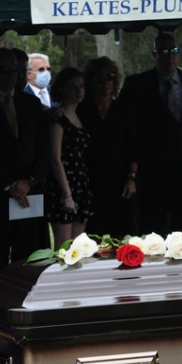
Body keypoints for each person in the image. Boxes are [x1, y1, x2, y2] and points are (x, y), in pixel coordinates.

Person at [118, 33, 182, 236]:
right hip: (152, 172)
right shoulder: (137, 84)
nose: (170, 56)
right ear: (154, 54)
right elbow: (124, 124)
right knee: (151, 231)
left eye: (174, 51)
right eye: (164, 52)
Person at [0, 48, 48, 273]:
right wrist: (9, 185)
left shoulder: (31, 104)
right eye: (3, 70)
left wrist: (29, 180)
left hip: (29, 196)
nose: (9, 76)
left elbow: (44, 149)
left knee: (28, 259)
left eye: (14, 70)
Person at [78, 57, 138, 238]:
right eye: (99, 79)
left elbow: (133, 147)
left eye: (109, 78)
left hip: (121, 181)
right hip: (90, 182)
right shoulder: (82, 110)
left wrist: (131, 178)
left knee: (124, 235)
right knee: (92, 236)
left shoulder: (123, 110)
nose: (105, 84)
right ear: (90, 82)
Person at [44, 68, 92, 249]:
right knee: (63, 248)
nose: (79, 91)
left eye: (81, 86)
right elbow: (55, 158)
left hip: (81, 183)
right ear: (62, 89)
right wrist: (67, 194)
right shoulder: (58, 118)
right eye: (73, 87)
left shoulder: (81, 116)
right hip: (63, 185)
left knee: (78, 246)